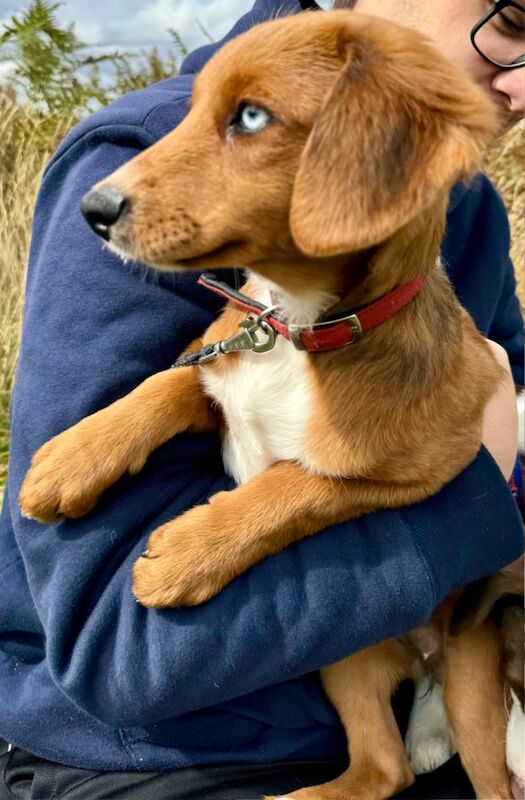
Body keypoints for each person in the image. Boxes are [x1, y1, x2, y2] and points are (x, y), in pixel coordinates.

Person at [0, 0, 523, 798]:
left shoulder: (466, 206)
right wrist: (464, 503)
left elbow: (508, 395)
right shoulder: (147, 156)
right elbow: (113, 657)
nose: (520, 86)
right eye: (514, 23)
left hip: (442, 668)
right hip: (170, 755)